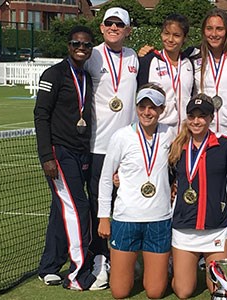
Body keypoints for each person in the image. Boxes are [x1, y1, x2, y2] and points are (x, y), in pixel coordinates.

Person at [34, 26, 102, 290]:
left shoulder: (85, 75)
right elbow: (41, 116)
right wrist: (46, 157)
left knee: (60, 209)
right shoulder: (54, 75)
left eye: (86, 45)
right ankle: (78, 275)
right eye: (76, 44)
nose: (81, 48)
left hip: (81, 151)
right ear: (68, 45)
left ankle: (50, 266)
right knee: (78, 208)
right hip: (59, 153)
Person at [96, 84, 177, 299]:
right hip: (125, 219)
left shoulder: (170, 134)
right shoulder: (121, 136)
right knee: (120, 292)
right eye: (143, 106)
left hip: (159, 219)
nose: (147, 112)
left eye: (153, 107)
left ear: (162, 110)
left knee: (155, 292)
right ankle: (134, 267)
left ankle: (151, 269)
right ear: (136, 107)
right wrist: (104, 216)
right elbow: (106, 178)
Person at [83, 7, 140, 282]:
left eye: (120, 24)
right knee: (99, 207)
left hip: (129, 147)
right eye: (109, 23)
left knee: (126, 204)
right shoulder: (91, 54)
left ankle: (125, 256)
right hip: (98, 146)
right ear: (102, 27)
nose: (114, 27)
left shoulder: (133, 57)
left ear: (128, 30)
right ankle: (99, 259)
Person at [168, 94, 227, 298]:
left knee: (220, 292)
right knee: (184, 291)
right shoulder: (177, 146)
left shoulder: (225, 144)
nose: (196, 121)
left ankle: (205, 269)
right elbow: (163, 179)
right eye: (192, 116)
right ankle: (178, 271)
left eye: (202, 116)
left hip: (216, 227)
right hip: (184, 227)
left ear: (211, 118)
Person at [193, 8, 227, 135]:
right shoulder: (193, 55)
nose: (214, 34)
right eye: (209, 28)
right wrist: (148, 54)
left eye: (219, 29)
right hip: (202, 130)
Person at [138, 13, 195, 129]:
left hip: (185, 131)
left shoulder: (189, 62)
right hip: (158, 130)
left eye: (176, 35)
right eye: (166, 34)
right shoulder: (148, 61)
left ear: (185, 38)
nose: (170, 39)